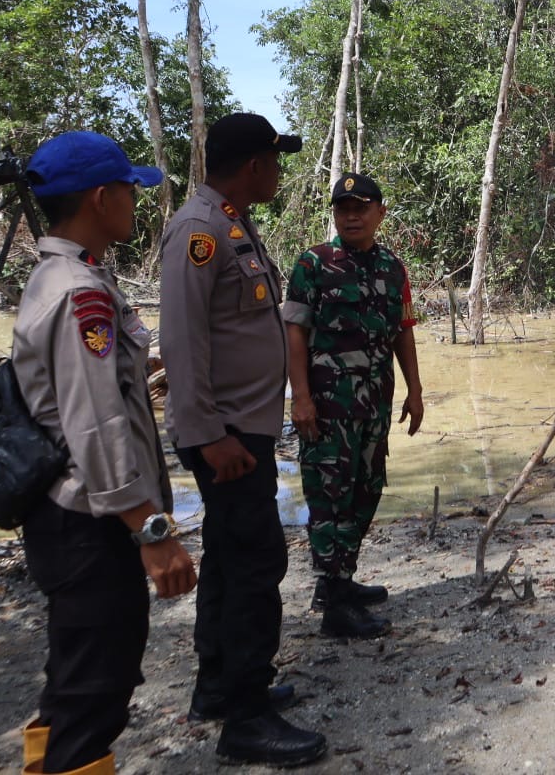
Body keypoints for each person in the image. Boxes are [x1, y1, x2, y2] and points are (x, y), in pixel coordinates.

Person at [11, 132, 197, 775]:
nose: (134, 202)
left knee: (75, 680)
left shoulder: (67, 276)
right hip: (88, 524)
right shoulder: (78, 292)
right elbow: (96, 423)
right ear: (99, 197)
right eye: (128, 189)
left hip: (74, 518)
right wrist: (151, 530)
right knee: (96, 689)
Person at [159, 113, 326, 767]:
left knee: (230, 559)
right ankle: (247, 718)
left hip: (242, 429)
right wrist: (209, 436)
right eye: (275, 162)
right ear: (255, 165)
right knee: (257, 563)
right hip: (226, 436)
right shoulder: (199, 231)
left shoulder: (232, 222)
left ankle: (218, 687)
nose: (279, 173)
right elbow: (182, 342)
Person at [284, 171, 424, 639]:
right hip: (327, 410)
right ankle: (335, 606)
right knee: (329, 499)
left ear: (380, 214)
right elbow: (295, 332)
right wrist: (301, 398)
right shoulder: (313, 265)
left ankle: (339, 582)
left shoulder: (392, 268)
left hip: (375, 404)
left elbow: (403, 331)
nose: (351, 217)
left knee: (367, 491)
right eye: (343, 209)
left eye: (360, 209)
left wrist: (415, 391)